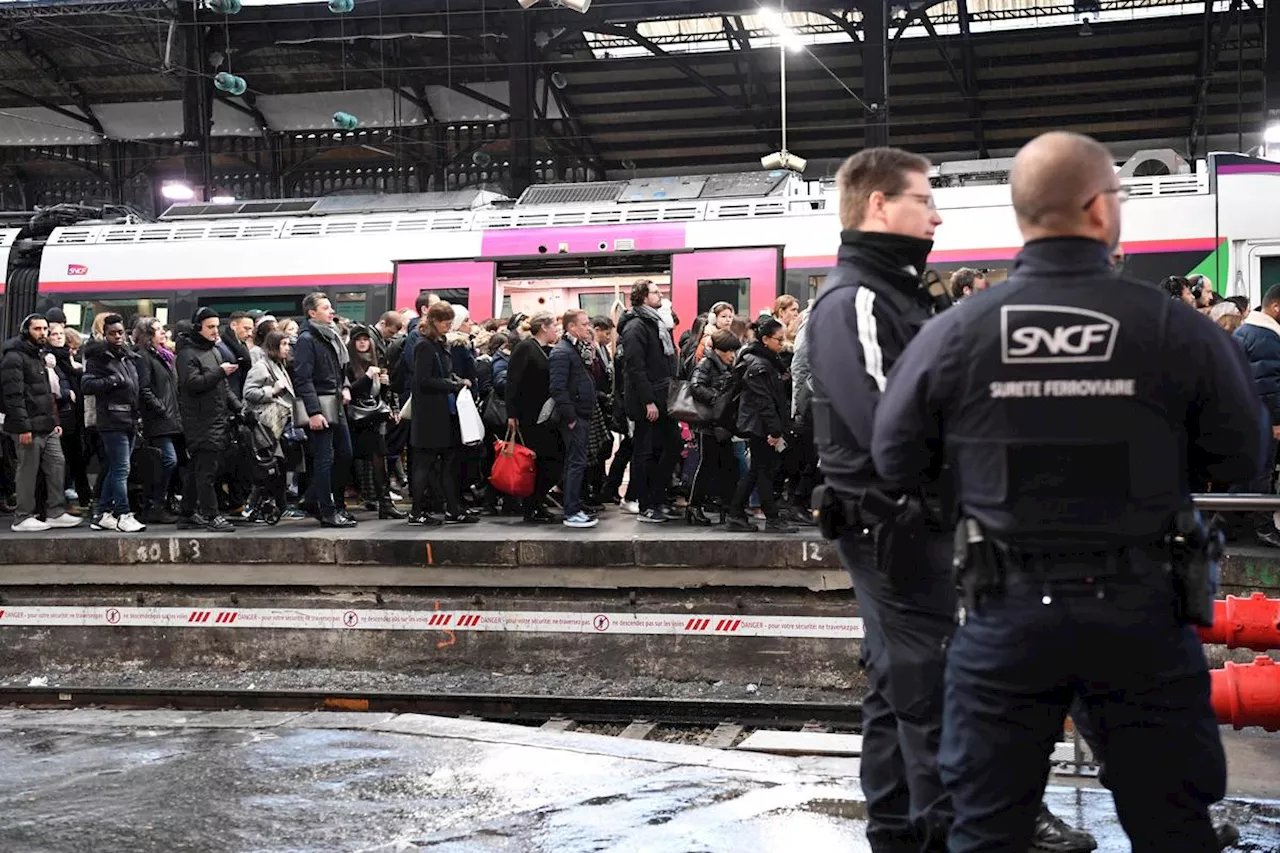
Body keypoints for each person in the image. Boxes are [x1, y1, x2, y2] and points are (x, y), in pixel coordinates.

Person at [871, 131, 1267, 853]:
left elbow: (894, 460)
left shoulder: (954, 334)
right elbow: (1241, 453)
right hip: (1144, 619)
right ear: (1097, 208)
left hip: (1005, 615)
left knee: (986, 830)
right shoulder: (1176, 328)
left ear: (1025, 216)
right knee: (1174, 825)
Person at [807, 146, 1092, 853]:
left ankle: (902, 831)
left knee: (896, 688)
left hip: (907, 521)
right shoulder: (858, 301)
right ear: (879, 205)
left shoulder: (896, 293)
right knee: (939, 685)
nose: (936, 213)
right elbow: (887, 429)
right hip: (895, 525)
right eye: (924, 198)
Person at [1, 314, 80, 531]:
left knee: (57, 464)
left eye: (45, 329)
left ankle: (55, 511)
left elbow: (47, 393)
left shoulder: (40, 355)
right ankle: (22, 517)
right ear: (26, 331)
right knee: (27, 471)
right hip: (27, 426)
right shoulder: (14, 358)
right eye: (38, 329)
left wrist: (54, 420)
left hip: (46, 424)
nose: (43, 333)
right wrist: (23, 426)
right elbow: (13, 396)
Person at [618, 280, 681, 523]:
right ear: (643, 297)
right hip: (648, 401)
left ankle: (658, 498)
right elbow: (635, 368)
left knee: (670, 446)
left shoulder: (655, 323)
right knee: (646, 451)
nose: (661, 295)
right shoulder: (635, 326)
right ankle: (647, 504)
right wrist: (648, 401)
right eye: (655, 292)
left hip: (662, 397)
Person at [726, 317, 795, 534]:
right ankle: (770, 517)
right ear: (765, 339)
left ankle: (736, 513)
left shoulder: (765, 361)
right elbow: (764, 402)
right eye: (778, 339)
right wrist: (775, 431)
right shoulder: (759, 365)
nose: (782, 344)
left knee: (758, 469)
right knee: (763, 470)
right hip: (760, 426)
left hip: (761, 425)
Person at [408, 301, 475, 526]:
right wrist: (454, 384)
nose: (448, 326)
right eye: (445, 323)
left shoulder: (439, 343)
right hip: (429, 415)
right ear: (434, 322)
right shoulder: (424, 345)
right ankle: (416, 512)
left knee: (448, 462)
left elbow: (444, 373)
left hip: (442, 414)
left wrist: (455, 381)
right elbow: (423, 381)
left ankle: (453, 509)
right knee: (424, 463)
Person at [292, 292, 356, 528]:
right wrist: (314, 412)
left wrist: (346, 387)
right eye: (326, 308)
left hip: (335, 403)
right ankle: (327, 510)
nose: (332, 312)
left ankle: (315, 500)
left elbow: (341, 370)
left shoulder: (330, 336)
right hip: (321, 406)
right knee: (324, 458)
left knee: (345, 454)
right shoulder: (307, 339)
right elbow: (303, 378)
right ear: (312, 313)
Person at [176, 307, 241, 533]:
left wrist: (239, 408)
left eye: (216, 326)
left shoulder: (213, 352)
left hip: (216, 418)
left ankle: (187, 513)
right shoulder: (186, 354)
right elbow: (192, 384)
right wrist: (221, 372)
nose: (215, 331)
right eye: (210, 327)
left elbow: (222, 387)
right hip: (199, 421)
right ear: (198, 328)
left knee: (197, 469)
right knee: (207, 471)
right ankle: (211, 515)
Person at [81, 314, 145, 533]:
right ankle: (123, 513)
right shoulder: (99, 358)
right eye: (112, 333)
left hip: (129, 419)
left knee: (116, 469)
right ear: (105, 334)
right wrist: (113, 381)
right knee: (121, 469)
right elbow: (87, 385)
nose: (118, 336)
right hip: (112, 420)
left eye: (120, 332)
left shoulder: (125, 357)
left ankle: (103, 513)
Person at [506, 312, 563, 524]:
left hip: (545, 415)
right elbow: (513, 381)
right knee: (539, 461)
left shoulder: (546, 350)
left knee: (552, 459)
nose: (556, 330)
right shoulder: (525, 348)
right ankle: (532, 505)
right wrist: (512, 413)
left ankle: (536, 502)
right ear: (544, 328)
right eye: (554, 326)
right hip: (529, 414)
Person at [549, 309, 600, 529]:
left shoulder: (577, 349)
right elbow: (558, 388)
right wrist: (570, 417)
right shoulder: (563, 352)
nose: (588, 327)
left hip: (581, 414)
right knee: (575, 463)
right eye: (584, 324)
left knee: (578, 462)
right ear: (571, 327)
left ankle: (575, 506)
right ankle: (572, 511)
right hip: (574, 417)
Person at [687, 329, 742, 525]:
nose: (733, 356)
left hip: (720, 423)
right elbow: (695, 386)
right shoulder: (707, 364)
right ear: (720, 350)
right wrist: (716, 398)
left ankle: (726, 503)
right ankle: (694, 505)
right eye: (730, 352)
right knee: (707, 463)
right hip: (707, 423)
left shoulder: (724, 366)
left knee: (726, 463)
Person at [133, 317, 182, 524]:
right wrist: (160, 409)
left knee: (172, 461)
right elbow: (144, 389)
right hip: (159, 420)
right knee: (168, 460)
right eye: (158, 330)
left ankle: (161, 502)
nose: (163, 332)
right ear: (148, 335)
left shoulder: (163, 356)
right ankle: (154, 503)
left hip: (171, 419)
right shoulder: (144, 357)